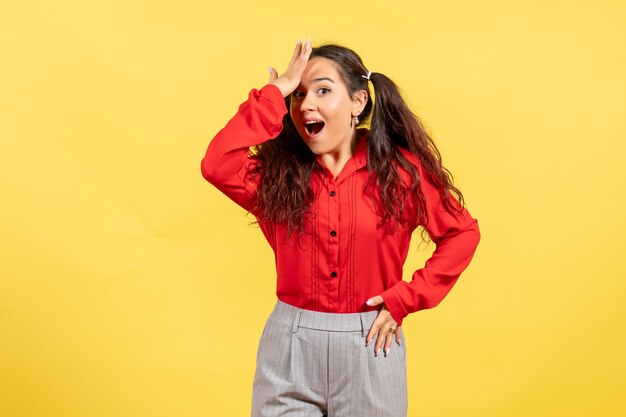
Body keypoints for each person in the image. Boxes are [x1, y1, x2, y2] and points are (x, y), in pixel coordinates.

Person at [200, 37, 481, 417]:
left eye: (322, 90)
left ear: (357, 102)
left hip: (371, 343)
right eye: (298, 95)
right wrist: (273, 92)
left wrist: (406, 298)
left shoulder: (401, 172)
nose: (306, 104)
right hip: (290, 348)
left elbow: (461, 233)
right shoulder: (277, 178)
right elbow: (217, 163)